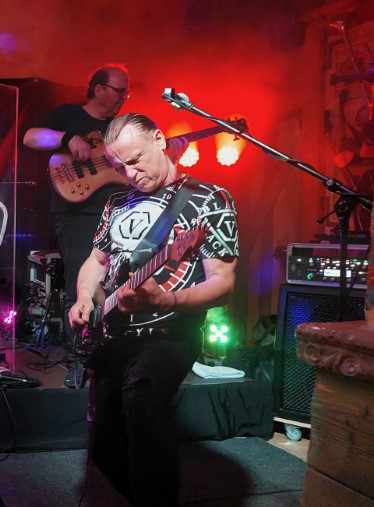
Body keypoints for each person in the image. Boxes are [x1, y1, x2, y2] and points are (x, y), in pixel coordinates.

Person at [68, 112, 238, 506]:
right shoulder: (116, 202)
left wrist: (167, 300)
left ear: (159, 140)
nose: (130, 174)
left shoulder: (209, 199)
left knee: (142, 398)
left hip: (170, 334)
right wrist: (84, 297)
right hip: (114, 335)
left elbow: (223, 284)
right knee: (105, 449)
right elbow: (96, 261)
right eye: (119, 167)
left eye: (135, 160)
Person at [23, 64, 185, 387]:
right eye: (119, 91)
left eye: (127, 92)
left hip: (121, 212)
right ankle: (80, 360)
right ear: (98, 89)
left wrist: (171, 157)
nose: (124, 97)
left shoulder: (121, 128)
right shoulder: (68, 115)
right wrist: (67, 138)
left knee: (121, 282)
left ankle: (118, 355)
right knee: (80, 285)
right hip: (78, 214)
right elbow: (30, 137)